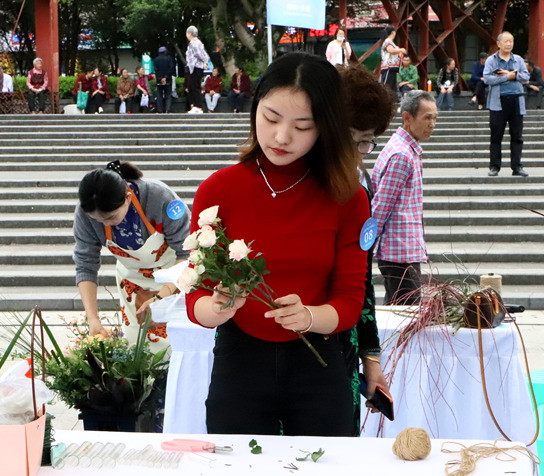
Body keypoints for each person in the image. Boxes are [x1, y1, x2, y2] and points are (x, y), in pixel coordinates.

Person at [186, 52, 370, 437]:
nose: (282, 137)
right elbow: (196, 296)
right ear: (255, 109)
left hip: (318, 363)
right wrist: (215, 309)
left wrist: (309, 317)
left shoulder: (346, 197)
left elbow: (351, 302)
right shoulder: (219, 190)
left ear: (326, 128)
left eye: (303, 126)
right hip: (241, 361)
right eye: (271, 118)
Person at [338, 63, 396, 434]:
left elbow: (363, 279)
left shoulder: (363, 185)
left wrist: (370, 357)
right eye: (355, 140)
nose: (362, 152)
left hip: (339, 347)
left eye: (367, 142)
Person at [73, 160, 191, 343]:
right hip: (132, 283)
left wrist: (163, 295)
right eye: (97, 220)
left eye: (111, 217)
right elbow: (85, 265)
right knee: (138, 348)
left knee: (177, 344)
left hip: (175, 275)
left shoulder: (159, 198)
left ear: (128, 197)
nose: (105, 224)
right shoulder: (84, 213)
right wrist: (93, 319)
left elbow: (187, 252)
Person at [372, 90, 437, 306]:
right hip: (398, 252)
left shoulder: (404, 149)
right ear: (407, 117)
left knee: (398, 311)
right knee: (405, 317)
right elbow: (381, 206)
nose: (432, 124)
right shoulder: (401, 155)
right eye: (427, 117)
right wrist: (366, 245)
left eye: (435, 118)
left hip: (401, 250)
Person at [484, 31, 530, 177]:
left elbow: (525, 77)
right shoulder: (492, 60)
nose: (509, 44)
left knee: (517, 136)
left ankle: (517, 166)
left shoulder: (518, 60)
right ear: (498, 43)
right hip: (498, 102)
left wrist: (513, 75)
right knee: (496, 136)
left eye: (511, 41)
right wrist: (507, 77)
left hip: (516, 100)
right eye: (506, 41)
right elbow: (487, 79)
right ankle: (494, 166)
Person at [185, 25, 209, 114]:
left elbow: (199, 54)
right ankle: (195, 106)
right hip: (194, 68)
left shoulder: (193, 43)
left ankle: (198, 107)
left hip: (195, 67)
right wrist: (205, 62)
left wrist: (204, 61)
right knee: (192, 87)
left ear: (189, 33)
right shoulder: (198, 42)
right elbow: (205, 54)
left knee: (195, 87)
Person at [380, 25, 406, 96]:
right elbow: (390, 50)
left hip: (393, 68)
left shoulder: (390, 41)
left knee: (392, 87)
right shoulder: (388, 41)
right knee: (388, 86)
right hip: (388, 67)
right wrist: (401, 50)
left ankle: (393, 100)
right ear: (393, 32)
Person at [153, 46, 175, 113]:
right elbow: (171, 68)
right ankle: (167, 109)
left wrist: (160, 78)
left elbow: (156, 70)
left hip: (159, 80)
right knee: (168, 95)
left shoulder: (156, 60)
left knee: (159, 95)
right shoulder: (169, 59)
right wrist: (166, 77)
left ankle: (160, 110)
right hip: (168, 79)